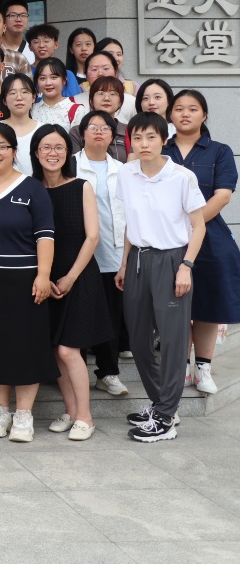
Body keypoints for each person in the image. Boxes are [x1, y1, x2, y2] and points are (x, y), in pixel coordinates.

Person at [117, 112, 207, 442]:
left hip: (172, 260)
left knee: (171, 341)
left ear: (164, 139)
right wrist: (124, 264)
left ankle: (166, 417)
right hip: (138, 260)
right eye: (138, 137)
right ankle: (162, 404)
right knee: (138, 340)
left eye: (151, 137)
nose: (144, 144)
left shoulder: (181, 177)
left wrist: (186, 266)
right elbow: (131, 221)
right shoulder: (127, 173)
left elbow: (199, 226)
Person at [0, 123, 57, 443]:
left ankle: (23, 414)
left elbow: (45, 235)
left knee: (25, 346)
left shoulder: (32, 189)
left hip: (24, 281)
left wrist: (43, 275)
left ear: (14, 151)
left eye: (1, 147)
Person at [31, 125, 112, 441]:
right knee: (55, 349)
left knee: (67, 349)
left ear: (68, 152)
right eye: (46, 147)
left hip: (79, 277)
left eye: (59, 147)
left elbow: (92, 237)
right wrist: (45, 277)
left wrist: (70, 277)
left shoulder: (82, 187)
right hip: (46, 279)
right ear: (36, 152)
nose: (52, 153)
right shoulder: (32, 189)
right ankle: (71, 411)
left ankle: (86, 417)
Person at [165, 90, 240, 395]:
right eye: (179, 108)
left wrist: (191, 225)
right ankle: (181, 366)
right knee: (176, 303)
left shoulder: (219, 151)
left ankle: (203, 367)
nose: (185, 114)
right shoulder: (161, 150)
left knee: (208, 302)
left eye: (193, 109)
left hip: (209, 234)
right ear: (170, 115)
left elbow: (222, 195)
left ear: (204, 115)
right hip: (166, 237)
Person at [74, 110, 131, 396]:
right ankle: (71, 375)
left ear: (112, 135)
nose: (99, 132)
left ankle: (108, 373)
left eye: (105, 128)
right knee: (76, 316)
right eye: (92, 127)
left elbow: (131, 216)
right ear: (82, 133)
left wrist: (125, 261)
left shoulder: (124, 170)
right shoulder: (70, 165)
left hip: (112, 254)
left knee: (109, 316)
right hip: (77, 255)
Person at [68, 76, 129, 162]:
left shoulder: (128, 130)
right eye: (100, 93)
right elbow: (75, 163)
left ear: (120, 102)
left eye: (112, 94)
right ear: (91, 100)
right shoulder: (77, 131)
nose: (106, 98)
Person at [0, 73, 43, 174]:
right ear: (4, 100)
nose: (19, 97)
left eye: (24, 92)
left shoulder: (44, 131)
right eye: (12, 93)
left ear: (33, 97)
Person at [27, 24, 83, 97]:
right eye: (36, 42)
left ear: (56, 44)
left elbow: (73, 100)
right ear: (30, 47)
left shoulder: (67, 74)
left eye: (46, 41)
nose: (41, 45)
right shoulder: (26, 72)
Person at [31, 58, 84, 128]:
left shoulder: (77, 110)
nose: (48, 83)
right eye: (42, 78)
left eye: (53, 77)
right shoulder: (31, 110)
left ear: (64, 80)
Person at [1, 0, 35, 64]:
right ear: (4, 19)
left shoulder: (32, 51)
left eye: (23, 15)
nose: (18, 19)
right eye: (13, 15)